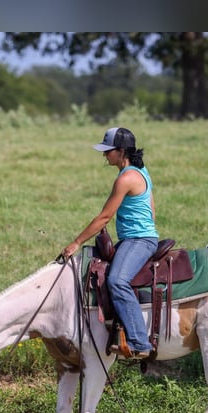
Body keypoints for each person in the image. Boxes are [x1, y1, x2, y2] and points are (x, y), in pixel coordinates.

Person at [61, 127, 158, 359]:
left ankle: (139, 342)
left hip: (138, 240)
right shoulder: (141, 171)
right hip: (140, 237)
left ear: (121, 151)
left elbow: (105, 217)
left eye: (108, 151)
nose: (105, 156)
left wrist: (75, 243)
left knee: (117, 280)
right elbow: (152, 210)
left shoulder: (126, 178)